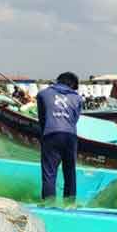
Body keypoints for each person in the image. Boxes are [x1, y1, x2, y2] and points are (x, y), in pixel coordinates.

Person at [37, 72, 82, 200]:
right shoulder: (78, 98)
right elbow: (74, 119)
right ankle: (70, 204)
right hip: (70, 136)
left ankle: (49, 205)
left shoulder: (43, 94)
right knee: (70, 172)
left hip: (50, 134)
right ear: (73, 85)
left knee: (49, 173)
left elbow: (42, 118)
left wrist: (43, 135)